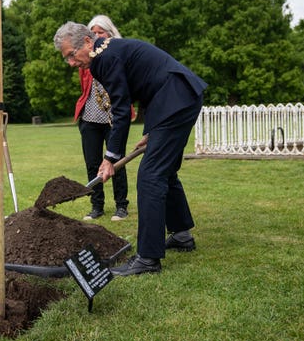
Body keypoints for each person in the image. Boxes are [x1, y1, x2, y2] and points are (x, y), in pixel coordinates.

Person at [54, 22, 207, 276]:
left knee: (150, 176)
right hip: (175, 97)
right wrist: (152, 130)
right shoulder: (107, 52)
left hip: (176, 98)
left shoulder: (105, 58)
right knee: (164, 172)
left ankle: (147, 259)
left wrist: (110, 157)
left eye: (71, 55)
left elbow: (122, 110)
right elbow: (146, 83)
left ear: (88, 43)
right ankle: (181, 235)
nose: (71, 63)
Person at [75, 15, 132, 221]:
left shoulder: (116, 54)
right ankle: (96, 206)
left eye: (101, 32)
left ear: (109, 33)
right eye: (94, 33)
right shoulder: (86, 58)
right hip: (90, 116)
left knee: (115, 160)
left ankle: (121, 206)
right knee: (92, 163)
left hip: (113, 117)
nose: (97, 35)